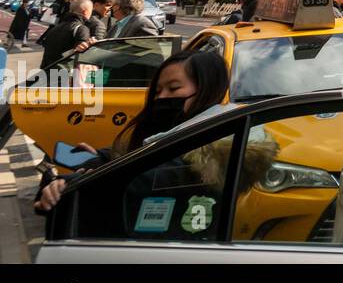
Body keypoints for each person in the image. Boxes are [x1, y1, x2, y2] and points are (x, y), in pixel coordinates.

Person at [35, 50, 233, 214]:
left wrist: (71, 183)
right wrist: (102, 158)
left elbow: (135, 182)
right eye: (157, 91)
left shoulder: (207, 156)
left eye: (173, 88)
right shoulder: (174, 133)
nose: (162, 97)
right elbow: (135, 154)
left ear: (207, 90)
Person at [39, 0, 94, 68]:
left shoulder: (55, 28)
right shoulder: (81, 29)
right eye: (91, 11)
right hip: (65, 73)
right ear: (85, 12)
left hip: (48, 72)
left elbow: (46, 56)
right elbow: (81, 56)